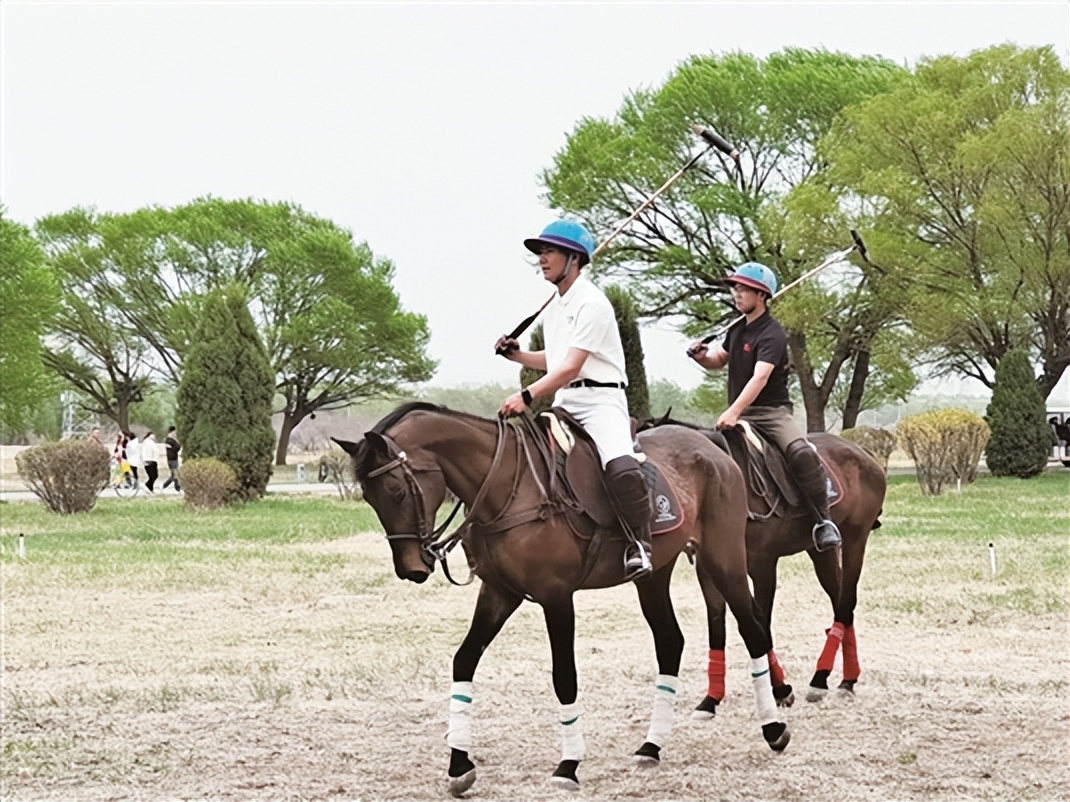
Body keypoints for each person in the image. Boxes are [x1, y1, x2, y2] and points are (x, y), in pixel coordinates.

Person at [495, 219, 653, 580]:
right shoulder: (556, 305)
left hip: (602, 402)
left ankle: (639, 545)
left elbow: (571, 367)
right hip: (567, 402)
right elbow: (556, 359)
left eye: (549, 252)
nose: (542, 259)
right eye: (541, 253)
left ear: (574, 259)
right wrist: (517, 356)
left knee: (619, 467)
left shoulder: (593, 303)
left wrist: (526, 394)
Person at [687, 262, 841, 551]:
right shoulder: (737, 330)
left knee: (799, 452)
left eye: (745, 289)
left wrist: (734, 410)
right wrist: (700, 356)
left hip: (771, 414)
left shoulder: (772, 333)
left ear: (762, 296)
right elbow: (718, 360)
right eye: (736, 287)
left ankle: (823, 520)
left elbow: (760, 378)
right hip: (741, 413)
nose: (737, 293)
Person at [162, 426, 182, 492]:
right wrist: (176, 443)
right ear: (172, 432)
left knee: (174, 474)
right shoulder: (170, 440)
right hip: (172, 459)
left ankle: (177, 487)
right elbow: (177, 448)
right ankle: (165, 485)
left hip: (173, 458)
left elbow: (176, 448)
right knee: (174, 474)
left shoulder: (170, 440)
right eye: (175, 432)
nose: (175, 434)